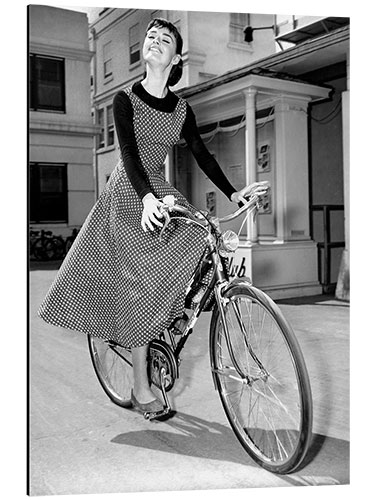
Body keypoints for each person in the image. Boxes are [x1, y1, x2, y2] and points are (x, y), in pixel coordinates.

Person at [39, 18, 255, 415]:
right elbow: (129, 156)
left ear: (175, 58)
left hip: (158, 186)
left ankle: (170, 316)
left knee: (201, 233)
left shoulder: (181, 109)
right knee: (138, 285)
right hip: (129, 189)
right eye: (150, 37)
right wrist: (146, 200)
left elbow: (202, 154)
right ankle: (140, 388)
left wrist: (233, 192)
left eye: (164, 39)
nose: (154, 42)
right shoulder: (126, 100)